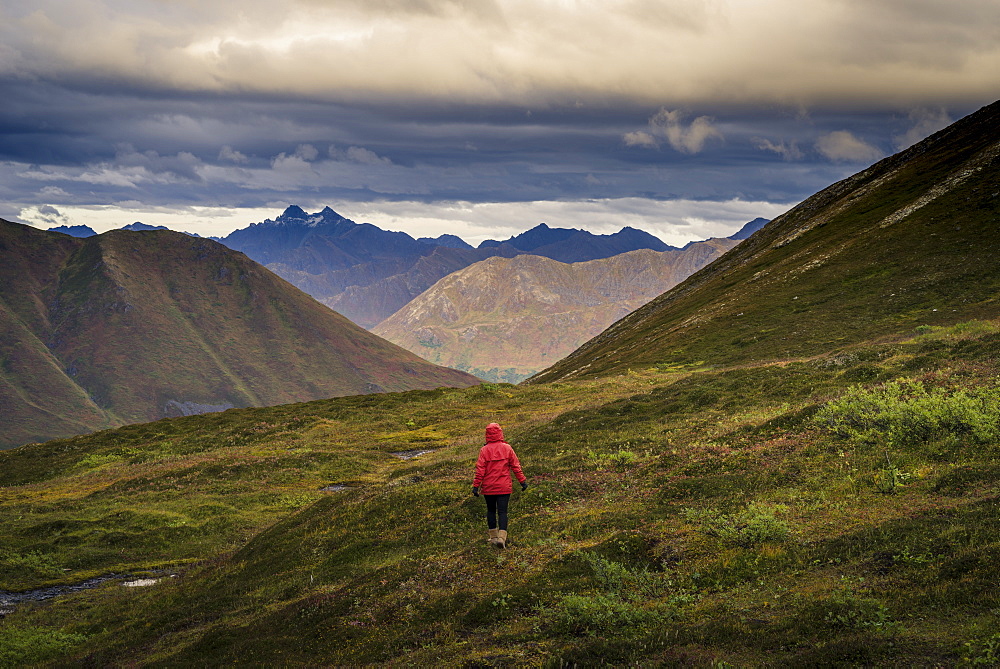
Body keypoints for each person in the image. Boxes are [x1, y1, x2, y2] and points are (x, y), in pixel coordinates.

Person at [472, 422, 528, 549]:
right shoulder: (507, 448)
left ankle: (493, 538)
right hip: (504, 487)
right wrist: (522, 482)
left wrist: (476, 486)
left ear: (487, 434)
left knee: (491, 511)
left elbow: (480, 470)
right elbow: (516, 466)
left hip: (488, 487)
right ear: (500, 433)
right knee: (503, 512)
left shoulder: (484, 450)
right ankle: (502, 538)